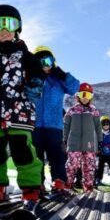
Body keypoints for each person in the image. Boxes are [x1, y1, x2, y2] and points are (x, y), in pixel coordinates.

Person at [0, 4, 46, 207]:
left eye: (10, 24)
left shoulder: (26, 56)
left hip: (19, 114)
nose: (5, 29)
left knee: (22, 151)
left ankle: (31, 189)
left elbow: (38, 73)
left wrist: (35, 82)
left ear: (18, 28)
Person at [32, 45, 80, 192]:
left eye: (47, 61)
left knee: (56, 155)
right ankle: (36, 183)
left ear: (53, 62)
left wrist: (62, 74)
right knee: (36, 155)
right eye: (40, 61)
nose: (44, 65)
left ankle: (59, 180)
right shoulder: (32, 79)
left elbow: (74, 87)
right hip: (35, 124)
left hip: (54, 125)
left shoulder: (58, 79)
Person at [63, 83, 102, 193]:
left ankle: (88, 187)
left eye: (88, 95)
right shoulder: (72, 110)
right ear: (78, 95)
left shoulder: (93, 111)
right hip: (73, 143)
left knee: (89, 166)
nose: (85, 98)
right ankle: (68, 184)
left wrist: (100, 141)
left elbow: (98, 127)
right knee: (72, 164)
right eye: (83, 94)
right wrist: (64, 140)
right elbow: (66, 126)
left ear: (91, 97)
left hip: (89, 143)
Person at [95, 115, 110, 186]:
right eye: (104, 125)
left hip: (109, 154)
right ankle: (98, 178)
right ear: (101, 126)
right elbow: (97, 141)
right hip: (102, 154)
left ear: (109, 125)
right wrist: (99, 147)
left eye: (107, 125)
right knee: (100, 167)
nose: (106, 126)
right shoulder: (100, 133)